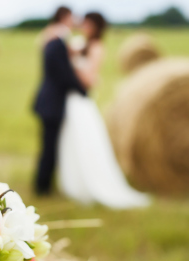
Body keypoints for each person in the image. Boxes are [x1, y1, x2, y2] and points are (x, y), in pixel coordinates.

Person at [57, 11, 150, 209]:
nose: (85, 27)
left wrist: (71, 66)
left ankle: (91, 185)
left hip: (81, 101)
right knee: (70, 142)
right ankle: (73, 184)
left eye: (90, 24)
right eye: (84, 23)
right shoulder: (78, 43)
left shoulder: (97, 47)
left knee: (85, 141)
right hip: (70, 100)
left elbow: (90, 79)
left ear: (98, 27)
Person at [33, 7, 87, 195]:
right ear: (64, 17)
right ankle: (42, 187)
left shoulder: (53, 41)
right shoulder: (56, 44)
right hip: (51, 104)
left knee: (50, 145)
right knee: (49, 147)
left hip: (50, 102)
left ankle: (45, 184)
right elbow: (64, 76)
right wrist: (83, 90)